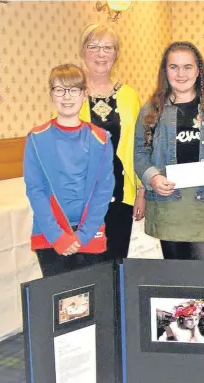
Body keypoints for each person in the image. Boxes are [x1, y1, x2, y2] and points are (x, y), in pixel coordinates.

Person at [134, 41, 204, 261]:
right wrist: (153, 178)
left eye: (187, 67)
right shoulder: (151, 110)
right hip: (167, 204)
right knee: (174, 280)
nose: (181, 74)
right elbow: (140, 154)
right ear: (165, 71)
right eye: (174, 67)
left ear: (198, 70)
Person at [24, 64, 114, 277]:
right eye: (59, 90)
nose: (67, 96)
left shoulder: (100, 139)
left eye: (74, 90)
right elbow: (35, 190)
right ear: (51, 95)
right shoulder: (37, 138)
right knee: (57, 304)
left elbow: (104, 190)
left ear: (85, 94)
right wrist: (58, 236)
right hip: (50, 234)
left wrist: (82, 236)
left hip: (89, 232)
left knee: (90, 302)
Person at [79, 24, 143, 263]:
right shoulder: (72, 93)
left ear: (116, 53)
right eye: (93, 46)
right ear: (83, 51)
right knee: (86, 267)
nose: (101, 53)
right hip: (83, 199)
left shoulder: (129, 96)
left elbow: (139, 146)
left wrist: (140, 192)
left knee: (116, 263)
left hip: (120, 195)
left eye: (108, 47)